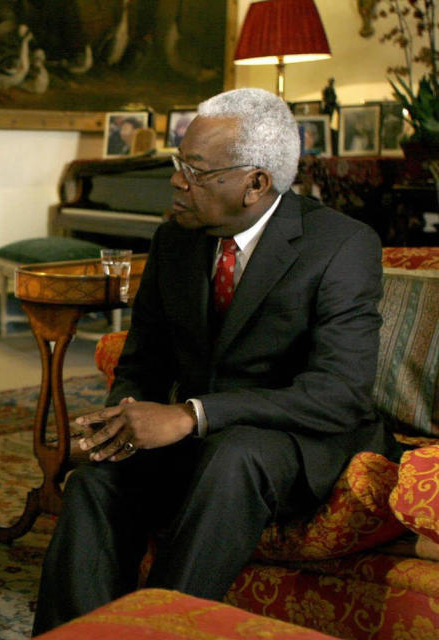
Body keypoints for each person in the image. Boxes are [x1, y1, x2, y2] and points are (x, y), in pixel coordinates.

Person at [32, 88, 395, 634]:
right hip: (204, 436)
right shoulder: (175, 241)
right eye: (180, 163)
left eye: (197, 172)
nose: (178, 181)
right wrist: (122, 420)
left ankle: (157, 630)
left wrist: (191, 414)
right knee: (95, 482)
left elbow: (339, 394)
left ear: (256, 183)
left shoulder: (341, 246)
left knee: (236, 456)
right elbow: (142, 360)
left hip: (296, 439)